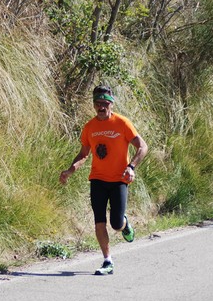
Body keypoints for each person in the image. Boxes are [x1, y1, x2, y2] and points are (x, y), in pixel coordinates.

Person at [59, 85, 148, 275]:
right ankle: (107, 261)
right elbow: (84, 153)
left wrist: (131, 167)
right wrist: (70, 170)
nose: (101, 107)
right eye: (98, 103)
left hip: (118, 180)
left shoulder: (122, 123)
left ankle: (124, 223)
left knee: (115, 223)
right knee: (99, 221)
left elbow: (142, 147)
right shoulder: (89, 127)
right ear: (93, 105)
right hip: (97, 179)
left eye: (105, 104)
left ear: (111, 104)